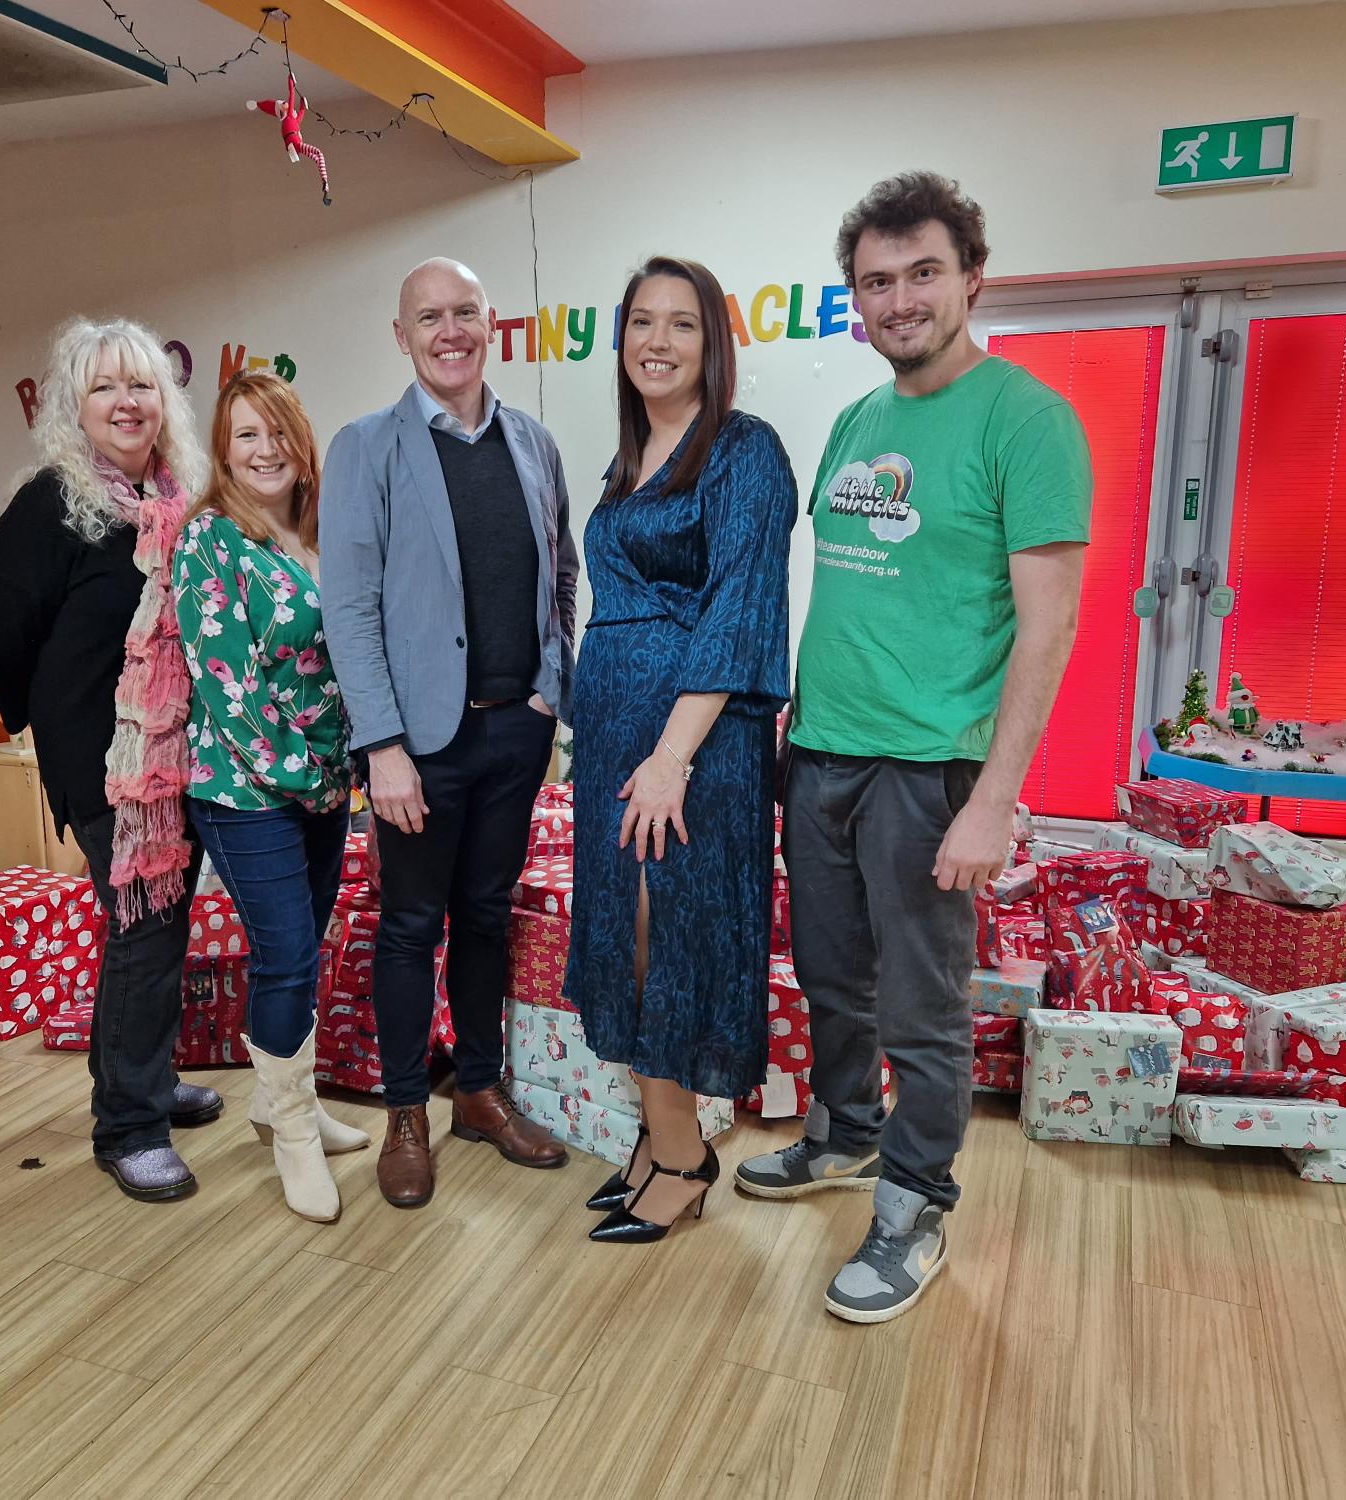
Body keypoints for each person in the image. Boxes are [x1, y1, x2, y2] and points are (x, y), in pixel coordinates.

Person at [736, 172, 1091, 1322]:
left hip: (928, 769)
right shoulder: (856, 420)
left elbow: (1048, 630)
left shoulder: (1024, 420)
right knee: (833, 978)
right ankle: (840, 1135)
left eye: (921, 273)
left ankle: (913, 1205)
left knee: (920, 1004)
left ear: (970, 277)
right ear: (853, 299)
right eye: (875, 282)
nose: (898, 300)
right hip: (823, 752)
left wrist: (993, 801)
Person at [320, 257, 579, 1209]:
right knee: (409, 926)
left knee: (483, 919)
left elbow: (562, 580)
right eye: (429, 316)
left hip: (516, 736)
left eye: (465, 311)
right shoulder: (366, 448)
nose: (449, 330)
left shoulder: (534, 443)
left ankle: (477, 1091)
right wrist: (381, 746)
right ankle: (404, 1115)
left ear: (490, 321)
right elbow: (347, 610)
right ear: (403, 336)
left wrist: (552, 694)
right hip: (417, 751)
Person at [566, 257, 797, 1244]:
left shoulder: (743, 452)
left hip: (689, 746)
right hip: (615, 735)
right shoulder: (626, 461)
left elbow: (738, 608)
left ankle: (685, 1154)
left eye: (681, 325)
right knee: (621, 932)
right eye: (639, 323)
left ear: (713, 342)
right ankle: (651, 1135)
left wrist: (671, 757)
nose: (656, 342)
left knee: (667, 936)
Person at [0, 317, 221, 1203]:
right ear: (74, 406)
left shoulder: (181, 499)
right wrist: (66, 725)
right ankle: (128, 1128)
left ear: (166, 402)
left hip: (178, 759)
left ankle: (144, 1083)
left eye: (143, 385)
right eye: (106, 386)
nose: (127, 402)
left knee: (154, 925)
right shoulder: (51, 502)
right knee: (144, 930)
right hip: (105, 764)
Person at [174, 371, 366, 1223]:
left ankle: (280, 1098)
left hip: (325, 785)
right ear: (223, 451)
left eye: (278, 432)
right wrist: (308, 774)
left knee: (304, 948)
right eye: (246, 436)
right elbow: (229, 686)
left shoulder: (321, 534)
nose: (265, 450)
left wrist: (347, 773)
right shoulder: (210, 540)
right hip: (245, 789)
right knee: (286, 952)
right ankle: (289, 1133)